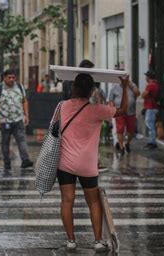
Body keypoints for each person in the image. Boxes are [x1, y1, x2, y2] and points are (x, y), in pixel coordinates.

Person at [58, 73, 129, 252]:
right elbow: (123, 110)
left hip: (65, 163)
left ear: (73, 88)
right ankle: (98, 241)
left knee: (67, 201)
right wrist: (125, 87)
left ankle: (70, 241)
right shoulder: (98, 110)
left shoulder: (62, 106)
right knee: (94, 202)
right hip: (87, 164)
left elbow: (56, 128)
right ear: (91, 91)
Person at [0, 69, 34, 170]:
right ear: (4, 78)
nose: (11, 79)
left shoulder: (19, 87)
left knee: (21, 140)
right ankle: (7, 162)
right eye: (9, 78)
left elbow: (24, 101)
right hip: (4, 121)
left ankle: (25, 160)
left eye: (13, 77)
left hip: (18, 119)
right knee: (5, 141)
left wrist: (26, 115)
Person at [108, 81, 140, 155]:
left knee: (131, 131)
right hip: (119, 113)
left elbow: (138, 93)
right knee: (120, 130)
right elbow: (111, 100)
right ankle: (121, 147)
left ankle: (127, 143)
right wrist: (113, 109)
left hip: (131, 112)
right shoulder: (114, 88)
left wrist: (131, 86)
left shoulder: (132, 86)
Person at [142, 70, 159, 150]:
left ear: (148, 77)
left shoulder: (150, 85)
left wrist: (144, 93)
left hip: (151, 107)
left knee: (150, 124)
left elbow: (143, 94)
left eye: (146, 76)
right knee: (150, 124)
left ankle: (152, 142)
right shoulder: (155, 84)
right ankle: (151, 141)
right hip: (152, 107)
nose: (145, 78)